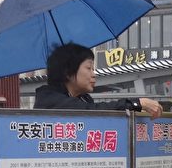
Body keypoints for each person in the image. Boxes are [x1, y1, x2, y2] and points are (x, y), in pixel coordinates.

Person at [34, 43, 163, 118]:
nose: (94, 74)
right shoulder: (48, 99)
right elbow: (91, 111)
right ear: (68, 72)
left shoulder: (84, 98)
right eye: (89, 68)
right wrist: (135, 104)